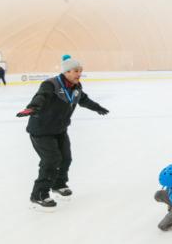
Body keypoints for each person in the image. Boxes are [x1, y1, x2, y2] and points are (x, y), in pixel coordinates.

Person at [15, 57, 109, 207]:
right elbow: (41, 97)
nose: (79, 74)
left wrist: (97, 107)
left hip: (59, 129)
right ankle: (39, 194)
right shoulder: (50, 84)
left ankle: (58, 184)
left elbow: (83, 99)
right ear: (66, 72)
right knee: (51, 160)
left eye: (80, 71)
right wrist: (32, 107)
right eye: (76, 71)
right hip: (41, 130)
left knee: (66, 158)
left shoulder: (76, 87)